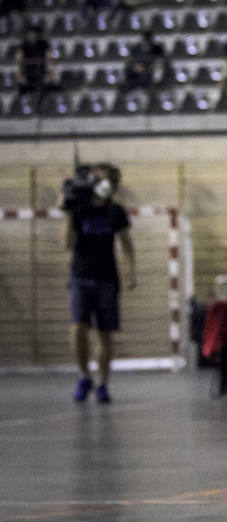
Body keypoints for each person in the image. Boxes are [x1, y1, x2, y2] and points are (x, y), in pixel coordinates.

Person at [64, 164, 136, 403]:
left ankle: (102, 383)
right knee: (78, 328)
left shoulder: (115, 211)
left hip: (107, 278)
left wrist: (130, 271)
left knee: (105, 334)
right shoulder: (80, 209)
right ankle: (83, 375)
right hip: (80, 276)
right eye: (103, 179)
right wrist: (67, 212)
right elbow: (68, 244)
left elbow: (126, 243)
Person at [13, 25, 55, 94]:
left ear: (38, 35)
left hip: (41, 73)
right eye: (30, 34)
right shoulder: (23, 45)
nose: (32, 36)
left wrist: (50, 74)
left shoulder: (44, 44)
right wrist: (20, 75)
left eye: (34, 34)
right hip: (27, 74)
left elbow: (49, 60)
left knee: (48, 88)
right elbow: (18, 61)